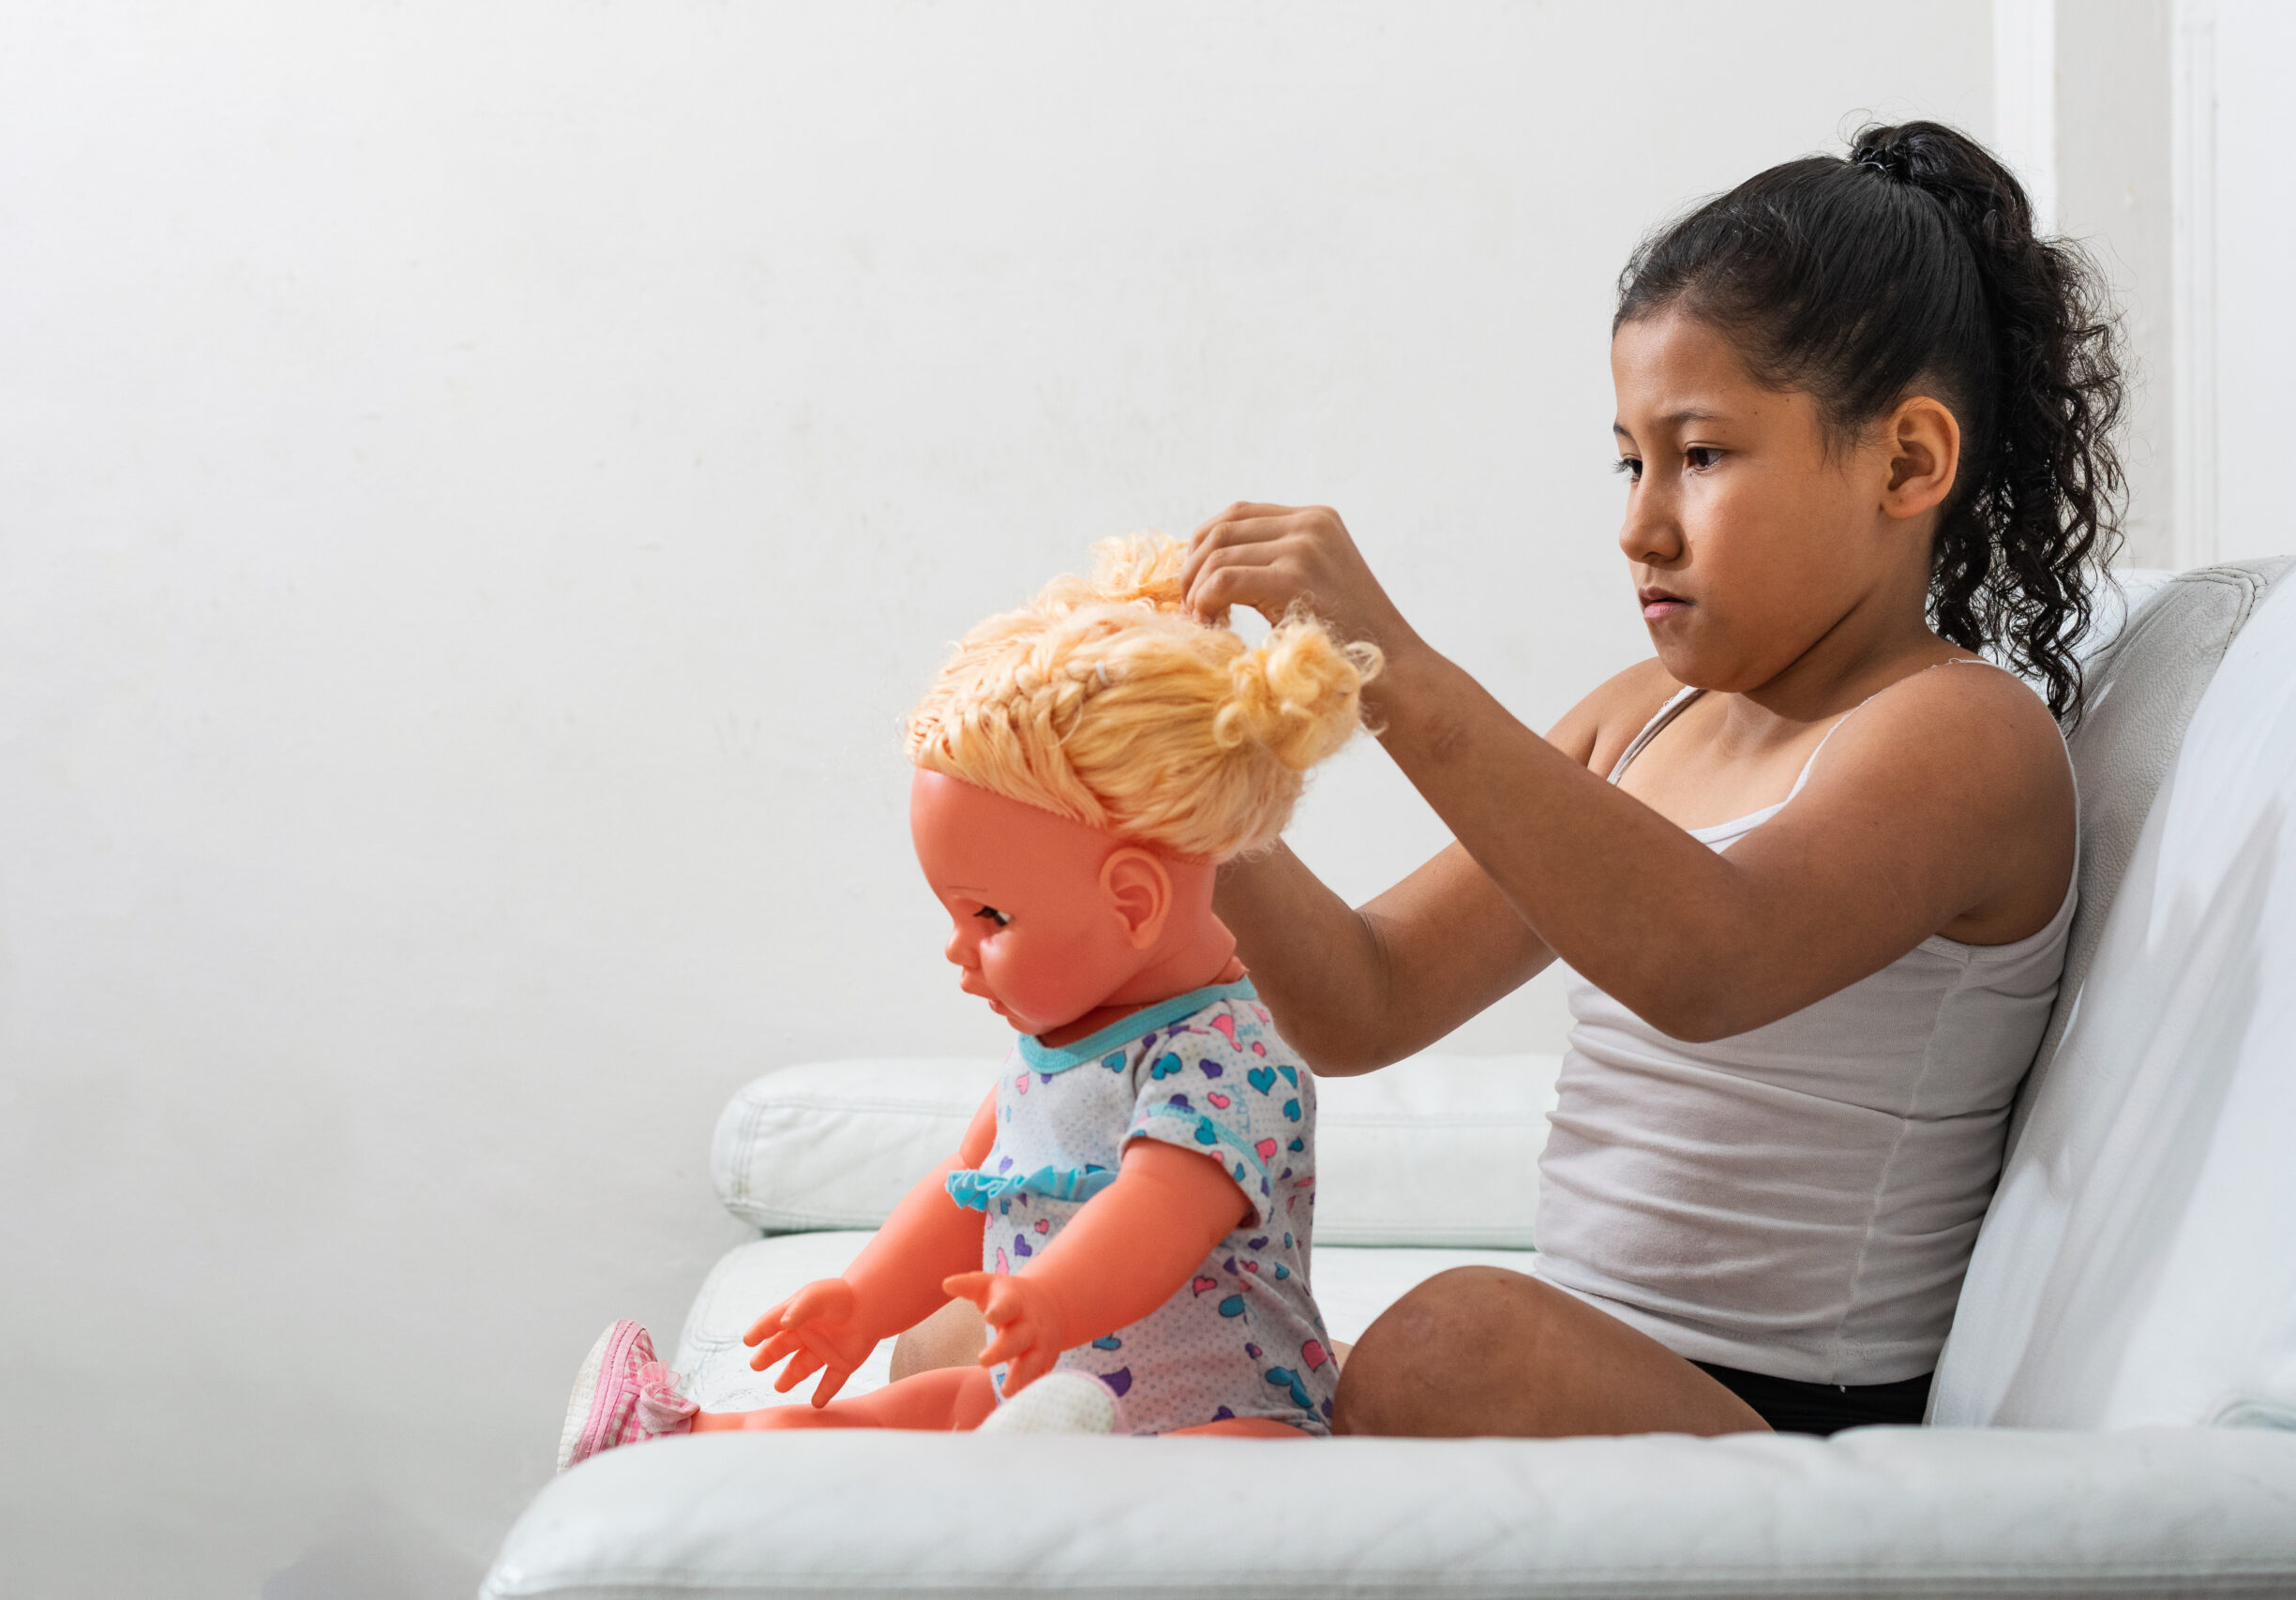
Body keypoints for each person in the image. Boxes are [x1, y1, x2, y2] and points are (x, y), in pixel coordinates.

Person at [895, 119, 2123, 1438]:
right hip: (1584, 1365)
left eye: (1701, 455)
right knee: (968, 1324)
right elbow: (1367, 999)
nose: (1640, 523)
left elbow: (1711, 958)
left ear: (1907, 461)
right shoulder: (1644, 718)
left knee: (1449, 1341)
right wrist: (1174, 784)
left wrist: (1392, 664)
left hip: (1780, 1410)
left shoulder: (1960, 733)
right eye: (1631, 458)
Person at [556, 537, 1374, 1469]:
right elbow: (961, 1192)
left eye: (989, 915)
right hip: (1039, 1391)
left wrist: (1054, 1300)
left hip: (1223, 1413)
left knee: (1237, 1461)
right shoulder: (1056, 1051)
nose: (958, 948)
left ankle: (1051, 1480)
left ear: (1135, 903)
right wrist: (861, 1301)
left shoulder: (1228, 1055)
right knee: (895, 1413)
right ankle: (677, 1443)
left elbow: (1159, 1209)